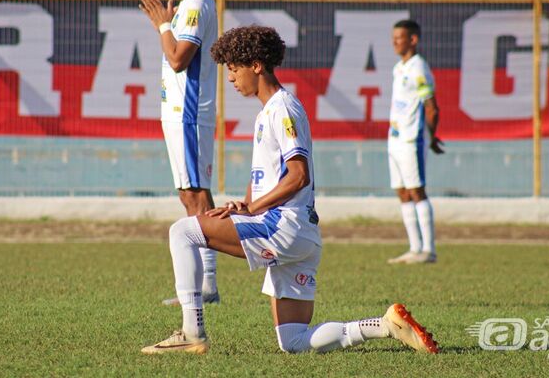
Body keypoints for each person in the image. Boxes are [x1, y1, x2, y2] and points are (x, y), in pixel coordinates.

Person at [140, 25, 439, 355]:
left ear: (256, 65)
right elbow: (272, 177)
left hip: (283, 227)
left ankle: (191, 332)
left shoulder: (283, 107)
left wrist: (254, 210)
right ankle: (384, 325)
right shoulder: (269, 110)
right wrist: (245, 204)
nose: (230, 78)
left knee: (182, 231)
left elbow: (298, 176)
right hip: (301, 236)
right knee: (293, 340)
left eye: (234, 68)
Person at [138, 0, 220, 307]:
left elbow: (178, 59)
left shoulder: (197, 4)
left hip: (189, 113)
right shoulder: (188, 5)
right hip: (178, 113)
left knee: (197, 197)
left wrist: (162, 24)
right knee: (189, 195)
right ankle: (206, 285)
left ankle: (209, 286)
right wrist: (168, 21)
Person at [386, 19, 444, 265]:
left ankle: (429, 250)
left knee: (417, 190)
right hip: (394, 138)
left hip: (411, 139)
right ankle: (414, 247)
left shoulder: (419, 68)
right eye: (393, 37)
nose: (394, 42)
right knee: (402, 191)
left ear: (413, 39)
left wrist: (431, 136)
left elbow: (431, 107)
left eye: (399, 37)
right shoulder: (399, 67)